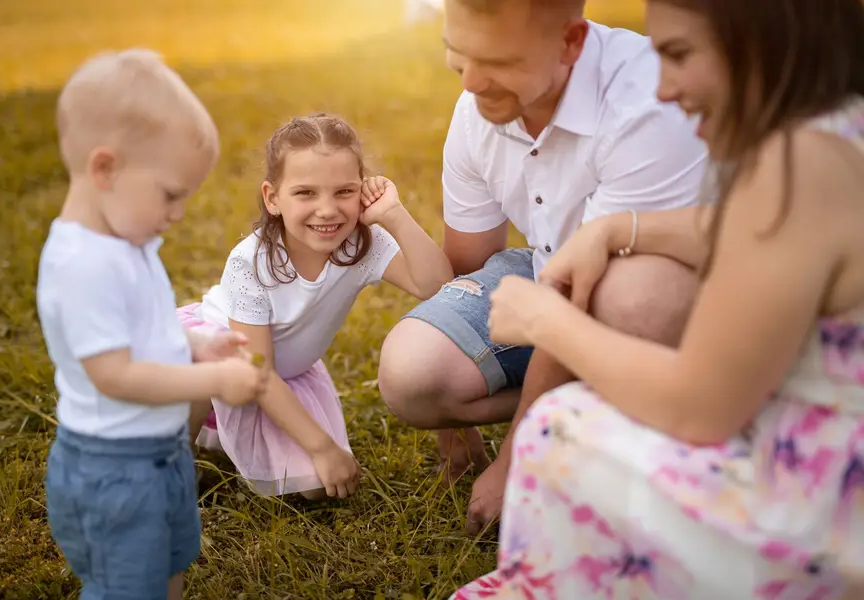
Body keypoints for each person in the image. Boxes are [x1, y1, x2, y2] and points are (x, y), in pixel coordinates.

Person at [452, 0, 864, 596]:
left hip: (819, 521)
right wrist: (619, 229)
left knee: (557, 427)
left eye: (678, 55)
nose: (665, 88)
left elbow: (700, 405)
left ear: (763, 39)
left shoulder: (795, 165)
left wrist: (547, 320)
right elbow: (751, 234)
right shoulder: (837, 133)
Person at [377, 0, 708, 533]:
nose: (474, 82)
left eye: (498, 61)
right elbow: (468, 262)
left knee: (632, 298)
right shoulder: (478, 104)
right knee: (412, 375)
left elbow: (583, 292)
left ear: (571, 43)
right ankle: (592, 409)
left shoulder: (648, 101)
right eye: (457, 55)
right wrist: (449, 413)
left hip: (661, 290)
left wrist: (516, 460)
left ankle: (600, 422)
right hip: (547, 270)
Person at [37, 50, 268, 600]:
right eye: (170, 194)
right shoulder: (83, 265)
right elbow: (116, 375)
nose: (179, 213)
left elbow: (142, 328)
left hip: (158, 453)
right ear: (105, 169)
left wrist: (195, 345)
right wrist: (212, 384)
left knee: (168, 566)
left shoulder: (125, 240)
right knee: (126, 586)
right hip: (113, 470)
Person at [177, 113, 454, 500]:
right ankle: (176, 456)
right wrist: (322, 448)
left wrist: (393, 214)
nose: (327, 210)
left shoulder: (363, 244)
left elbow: (437, 286)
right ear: (273, 198)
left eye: (344, 192)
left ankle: (231, 433)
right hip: (233, 358)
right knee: (201, 364)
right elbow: (258, 371)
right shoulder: (250, 263)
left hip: (286, 373)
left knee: (317, 491)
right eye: (306, 193)